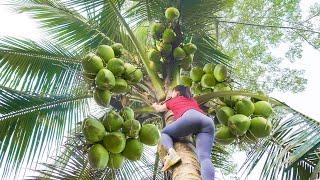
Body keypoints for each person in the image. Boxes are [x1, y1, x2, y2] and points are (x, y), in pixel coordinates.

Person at [152, 85, 215, 180]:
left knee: (165, 133)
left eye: (172, 92)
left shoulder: (172, 100)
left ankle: (172, 153)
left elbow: (159, 109)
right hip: (207, 121)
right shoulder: (192, 100)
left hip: (190, 117)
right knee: (204, 157)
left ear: (177, 93)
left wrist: (154, 105)